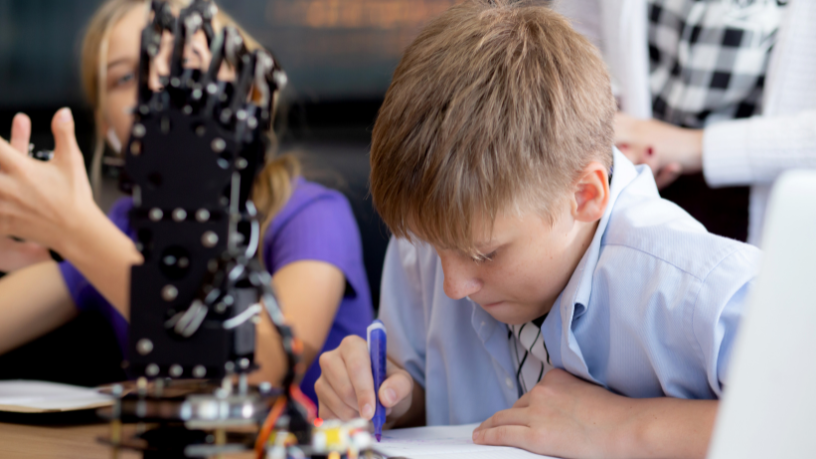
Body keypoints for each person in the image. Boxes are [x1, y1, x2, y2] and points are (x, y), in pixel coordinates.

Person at [314, 1, 760, 458]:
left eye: (485, 253)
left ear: (585, 196)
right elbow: (428, 406)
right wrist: (392, 400)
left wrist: (625, 428)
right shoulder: (433, 237)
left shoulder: (696, 287)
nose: (452, 286)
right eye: (434, 248)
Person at [0, 0, 372, 403]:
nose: (159, 82)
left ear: (249, 89)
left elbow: (264, 367)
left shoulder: (311, 215)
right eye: (125, 76)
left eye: (187, 58)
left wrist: (75, 230)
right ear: (108, 130)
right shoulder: (121, 227)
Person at [554, 0, 816, 246]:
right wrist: (606, 125)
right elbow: (573, 33)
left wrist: (683, 144)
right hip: (621, 161)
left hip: (748, 200)